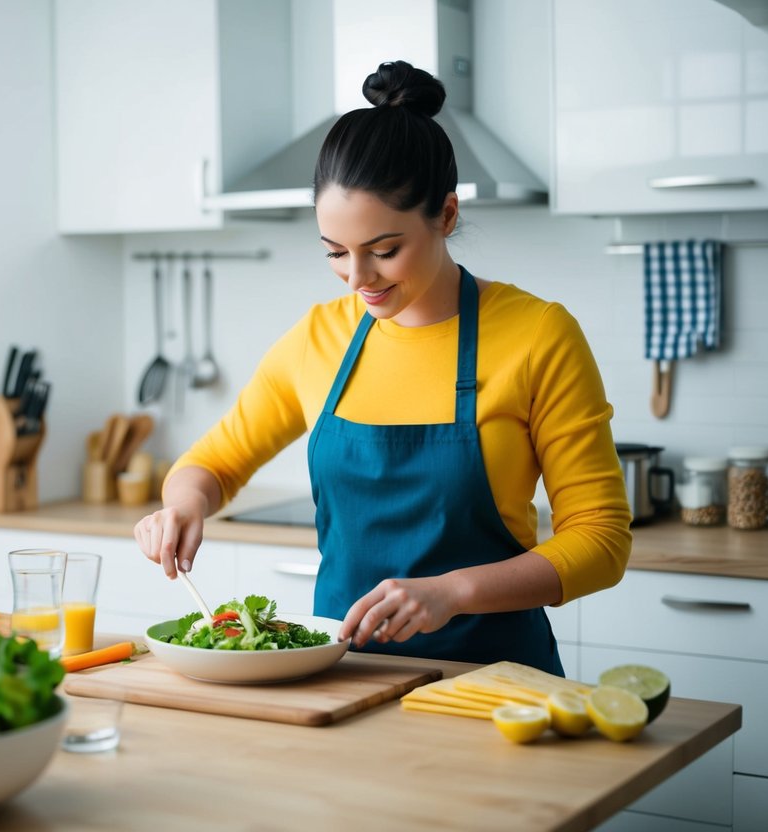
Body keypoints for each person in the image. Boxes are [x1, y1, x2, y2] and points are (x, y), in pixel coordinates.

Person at [132, 60, 632, 676]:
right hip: (339, 679)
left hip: (496, 684)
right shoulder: (320, 336)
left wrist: (452, 593)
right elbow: (212, 463)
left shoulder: (537, 335)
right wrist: (183, 505)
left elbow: (602, 540)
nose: (359, 279)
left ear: (446, 215)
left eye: (385, 251)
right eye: (336, 253)